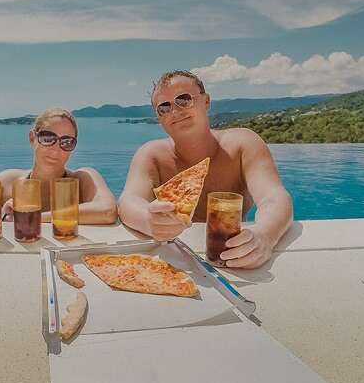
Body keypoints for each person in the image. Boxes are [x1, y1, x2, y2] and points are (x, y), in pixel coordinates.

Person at [119, 70, 292, 269]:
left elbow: (273, 196)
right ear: (159, 117)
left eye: (183, 100)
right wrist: (147, 219)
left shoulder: (243, 144)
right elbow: (128, 201)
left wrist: (265, 234)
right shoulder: (151, 154)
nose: (174, 111)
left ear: (206, 101)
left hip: (232, 258)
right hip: (174, 264)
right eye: (163, 107)